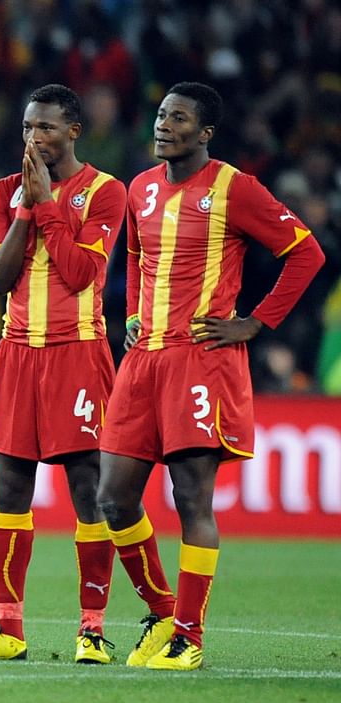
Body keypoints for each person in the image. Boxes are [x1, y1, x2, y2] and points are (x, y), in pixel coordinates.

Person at [98, 82, 324, 671]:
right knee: (112, 498)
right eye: (160, 115)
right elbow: (137, 255)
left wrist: (255, 323)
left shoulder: (234, 188)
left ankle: (189, 638)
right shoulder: (139, 189)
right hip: (142, 359)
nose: (163, 125)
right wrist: (130, 316)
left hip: (201, 360)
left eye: (179, 118)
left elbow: (306, 253)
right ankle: (164, 609)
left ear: (206, 133)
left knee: (190, 496)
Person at [0, 84, 124, 664]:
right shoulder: (6, 192)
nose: (34, 138)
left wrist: (48, 202)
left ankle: (92, 630)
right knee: (10, 490)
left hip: (78, 353)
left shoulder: (106, 193)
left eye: (46, 128)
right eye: (28, 128)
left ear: (73, 130)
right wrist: (27, 206)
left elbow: (79, 275)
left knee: (87, 491)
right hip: (17, 354)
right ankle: (6, 627)